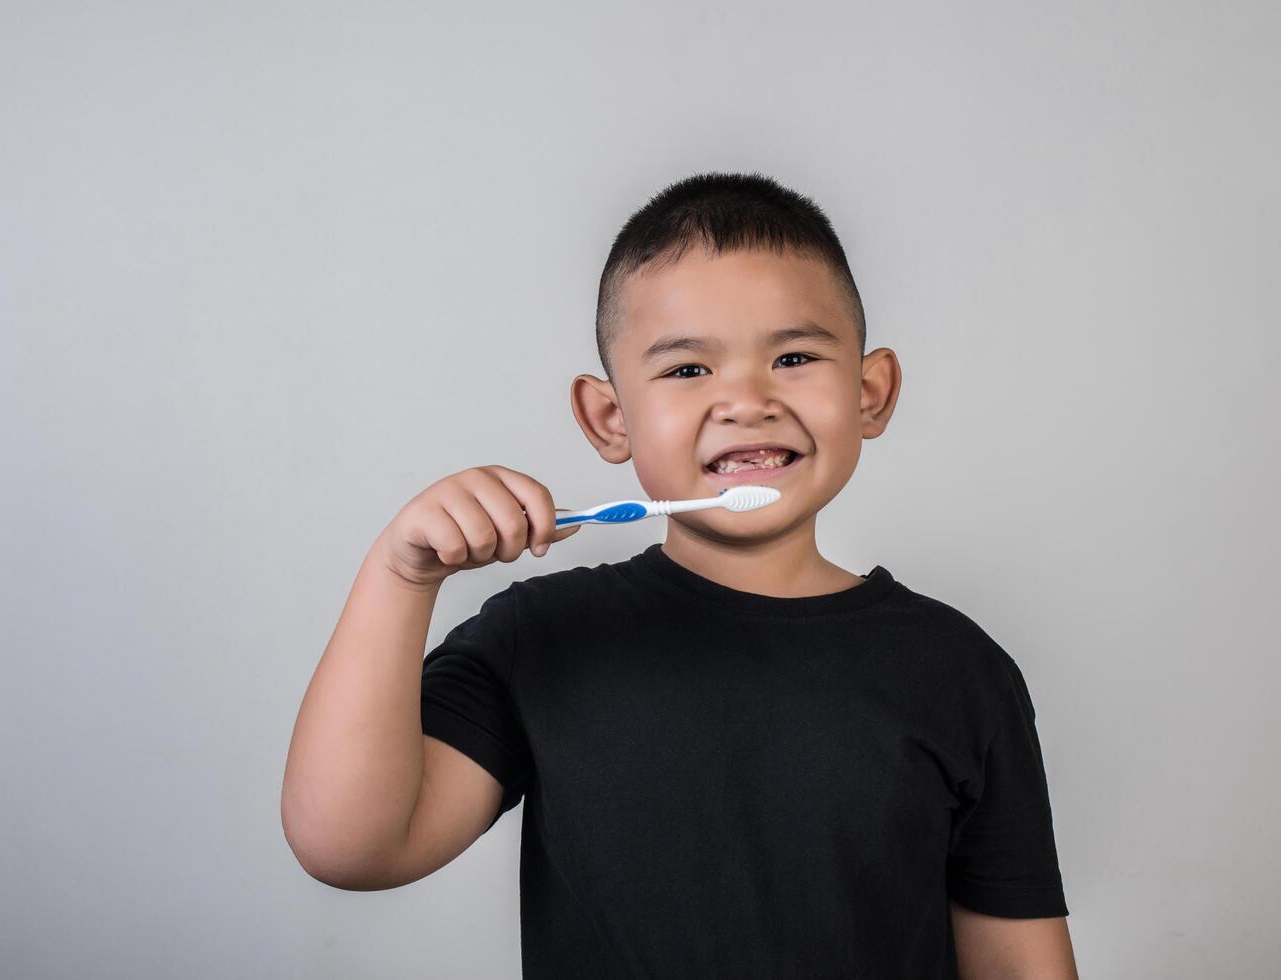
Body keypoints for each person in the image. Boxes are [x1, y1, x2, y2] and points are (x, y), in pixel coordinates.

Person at [281, 171, 1078, 978]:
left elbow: (1019, 962)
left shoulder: (957, 668)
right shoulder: (542, 638)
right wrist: (400, 577)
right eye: (688, 370)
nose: (745, 400)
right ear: (609, 418)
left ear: (870, 393)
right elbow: (352, 847)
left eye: (794, 356)